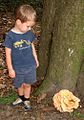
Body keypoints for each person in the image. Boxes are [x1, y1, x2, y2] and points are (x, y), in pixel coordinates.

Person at [3, 4, 39, 111]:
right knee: (19, 84)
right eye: (28, 26)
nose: (30, 28)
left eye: (31, 26)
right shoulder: (10, 36)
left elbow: (31, 45)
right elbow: (8, 54)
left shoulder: (29, 33)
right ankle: (21, 98)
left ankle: (26, 99)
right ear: (18, 22)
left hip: (30, 66)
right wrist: (10, 68)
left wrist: (36, 59)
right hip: (17, 67)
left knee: (27, 84)